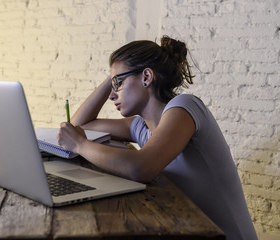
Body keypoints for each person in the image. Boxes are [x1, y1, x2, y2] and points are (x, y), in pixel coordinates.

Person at [57, 36, 258, 240]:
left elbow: (141, 167)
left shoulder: (185, 107)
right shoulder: (141, 127)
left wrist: (80, 145)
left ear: (146, 77)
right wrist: (113, 77)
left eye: (118, 83)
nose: (112, 94)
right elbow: (79, 126)